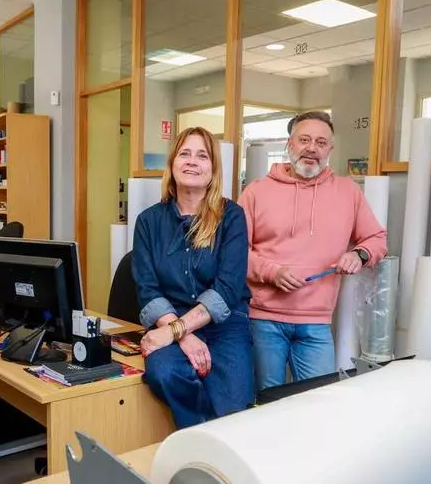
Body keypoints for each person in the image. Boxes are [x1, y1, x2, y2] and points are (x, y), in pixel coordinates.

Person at [238, 111, 387, 392]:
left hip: (317, 323)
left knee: (317, 403)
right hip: (262, 320)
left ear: (330, 150)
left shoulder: (348, 192)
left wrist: (359, 254)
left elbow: (377, 238)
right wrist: (272, 273)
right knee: (265, 403)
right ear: (289, 144)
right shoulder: (256, 192)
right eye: (304, 139)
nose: (312, 148)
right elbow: (233, 253)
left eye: (321, 142)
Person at [132, 126, 254, 429]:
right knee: (163, 373)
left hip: (226, 325)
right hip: (170, 321)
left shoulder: (232, 217)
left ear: (213, 169)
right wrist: (180, 333)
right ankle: (197, 439)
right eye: (184, 154)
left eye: (202, 156)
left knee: (233, 410)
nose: (192, 161)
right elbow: (147, 288)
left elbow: (227, 288)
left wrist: (177, 331)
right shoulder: (148, 221)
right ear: (172, 164)